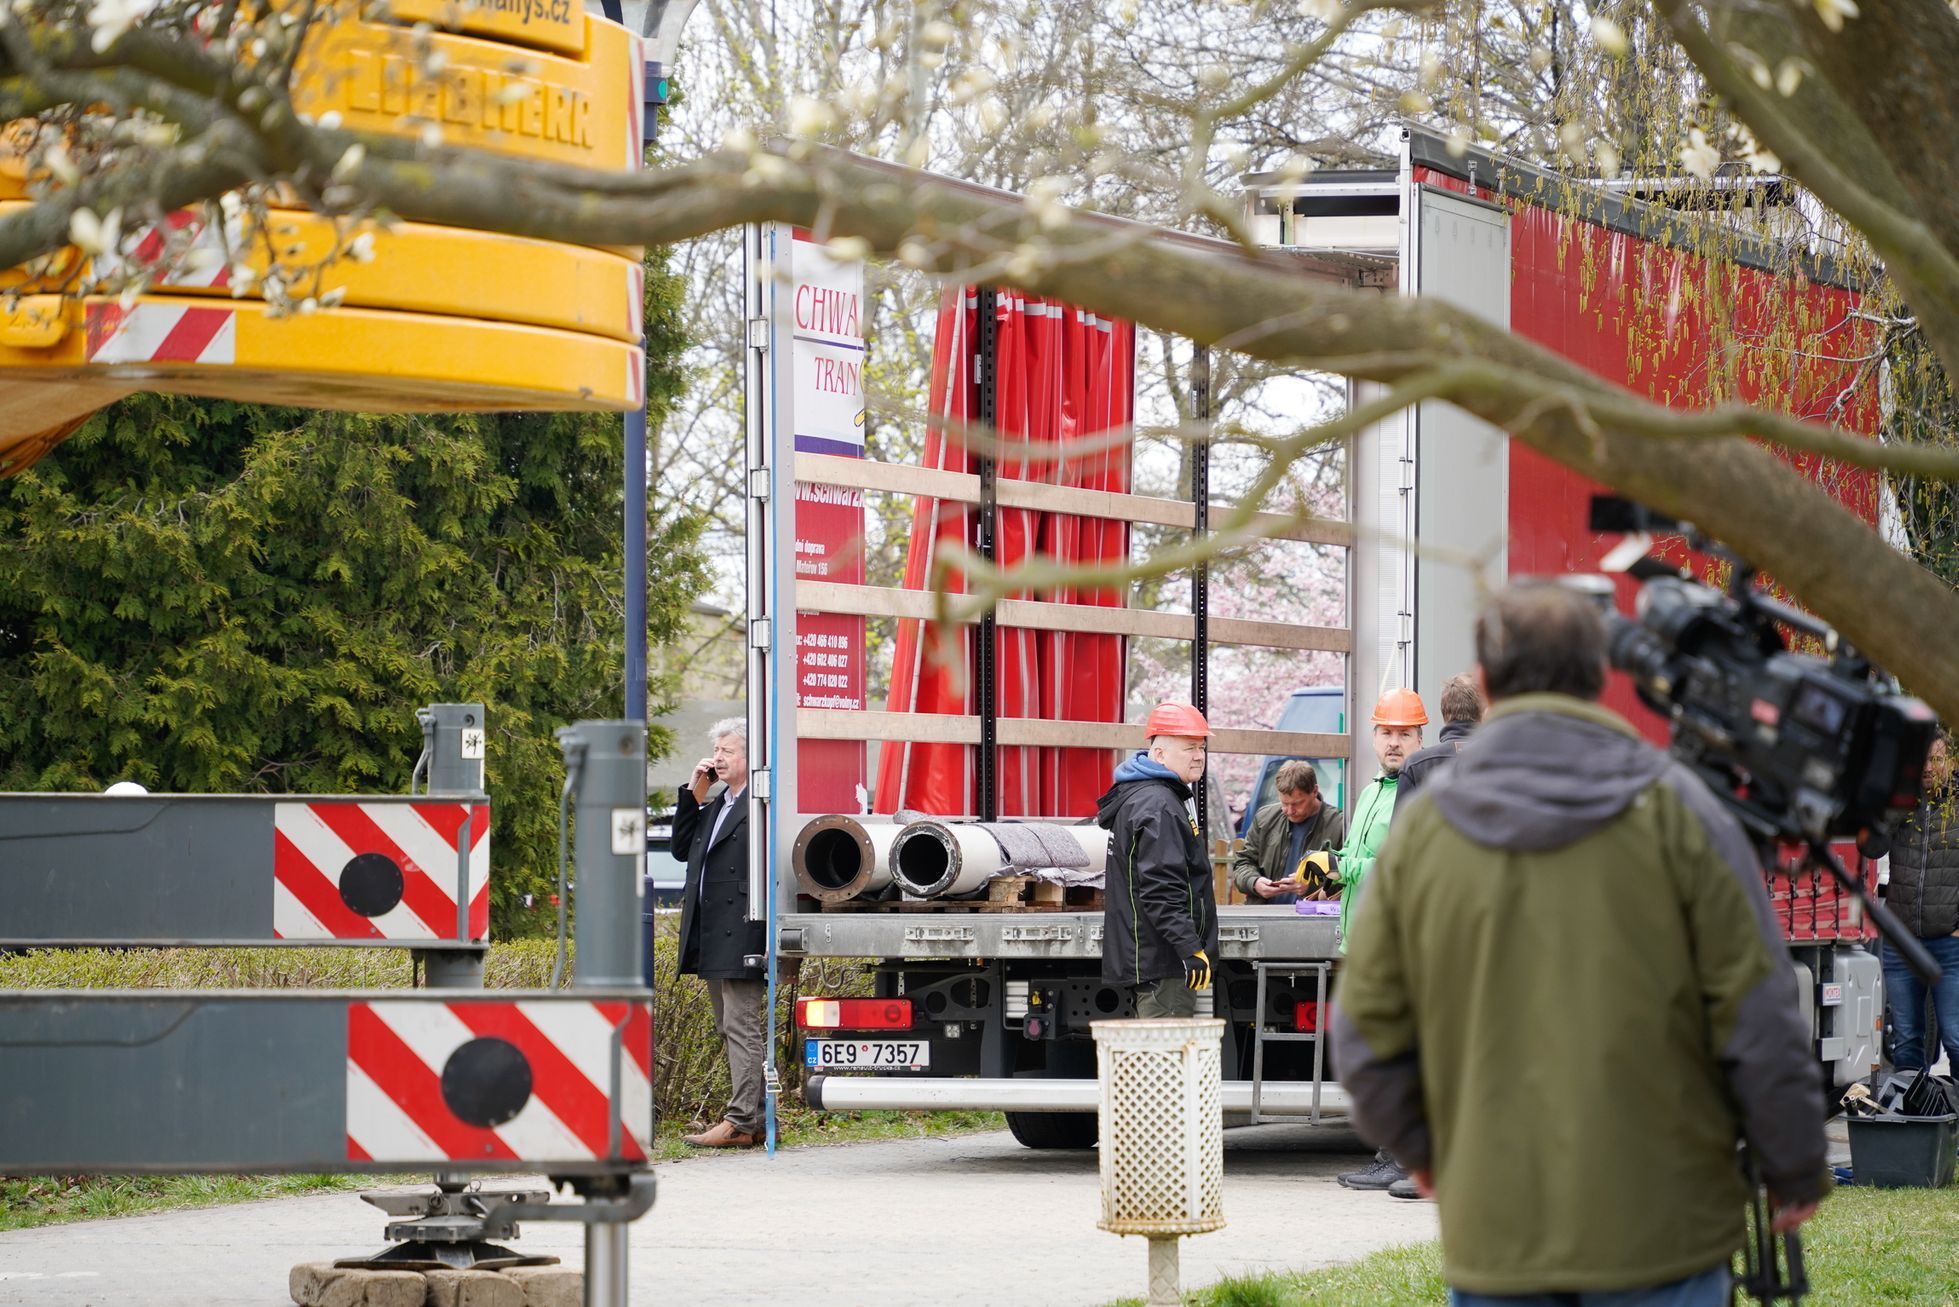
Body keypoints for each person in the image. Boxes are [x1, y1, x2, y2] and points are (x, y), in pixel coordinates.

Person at [1333, 584, 1826, 1306]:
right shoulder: (1681, 810)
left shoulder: (1425, 829)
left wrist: (1424, 1149)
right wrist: (1793, 1162)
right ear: (1599, 675)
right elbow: (1759, 1007)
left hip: (1498, 1236)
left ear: (1490, 684)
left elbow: (1363, 1027)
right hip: (1666, 1230)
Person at [1332, 685, 1427, 1192]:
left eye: (1404, 734)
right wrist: (1332, 869)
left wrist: (1341, 866)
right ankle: (1390, 1154)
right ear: (1373, 735)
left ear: (1420, 737)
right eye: (1386, 733)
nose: (1394, 743)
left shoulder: (1415, 791)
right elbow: (1355, 858)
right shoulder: (1370, 792)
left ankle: (1404, 1158)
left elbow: (1394, 865)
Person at [674, 719, 767, 1148]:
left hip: (743, 929)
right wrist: (695, 788)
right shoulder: (716, 805)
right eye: (716, 750)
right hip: (711, 931)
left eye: (728, 750)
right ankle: (757, 1118)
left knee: (740, 1025)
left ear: (751, 757)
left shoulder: (762, 804)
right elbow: (680, 849)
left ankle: (741, 1122)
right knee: (726, 1026)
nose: (718, 758)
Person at [1099, 701, 1220, 1019]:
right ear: (1159, 754)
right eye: (1189, 748)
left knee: (1158, 1058)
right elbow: (1161, 890)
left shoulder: (1148, 796)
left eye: (1202, 747)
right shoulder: (1159, 805)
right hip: (1165, 962)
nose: (1198, 756)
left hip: (1153, 958)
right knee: (1165, 1061)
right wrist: (1190, 948)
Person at [1880, 727, 1959, 1073]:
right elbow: (1871, 847)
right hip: (1901, 940)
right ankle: (1914, 1120)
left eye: (1937, 758)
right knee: (1908, 1039)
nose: (1928, 766)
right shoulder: (1902, 801)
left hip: (1950, 943)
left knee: (1956, 1037)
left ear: (1952, 761)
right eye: (1922, 759)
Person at [1231, 760, 1347, 904]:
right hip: (1265, 917)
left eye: (1297, 803)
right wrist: (1254, 882)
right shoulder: (1264, 818)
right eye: (1284, 803)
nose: (1290, 811)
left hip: (1314, 921)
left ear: (1315, 791)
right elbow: (1242, 864)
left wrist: (1311, 886)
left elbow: (1348, 878)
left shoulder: (1340, 825)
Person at [1393, 673, 1483, 816]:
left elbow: (1399, 835)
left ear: (1444, 712)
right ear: (1483, 711)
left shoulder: (1415, 766)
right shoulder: (1502, 762)